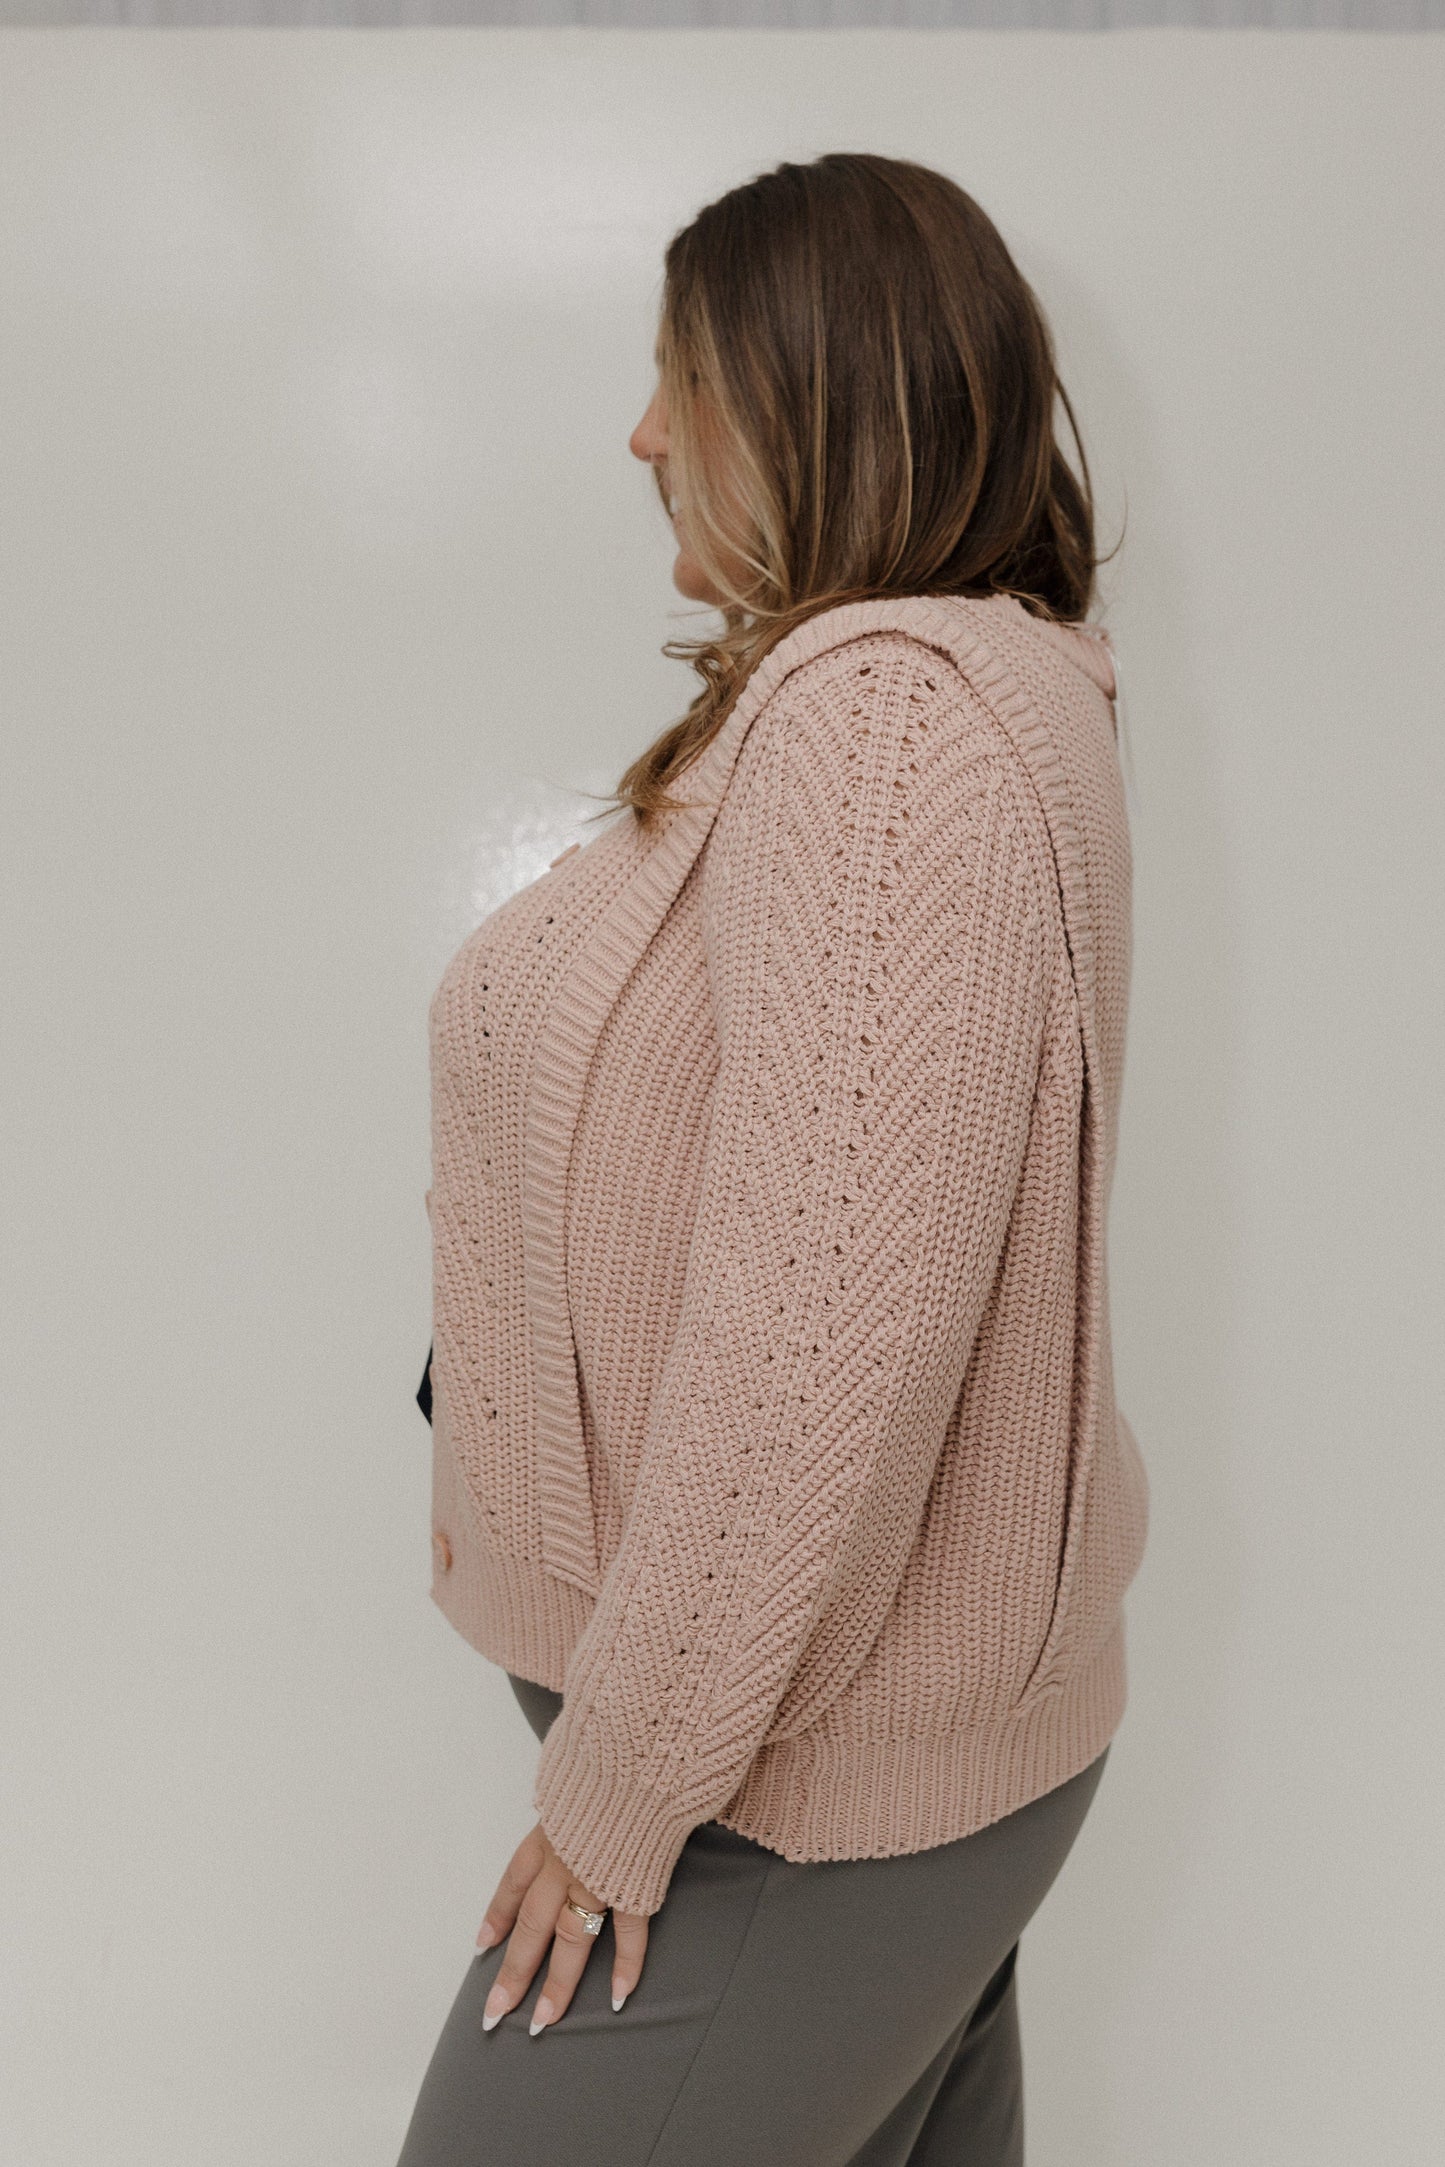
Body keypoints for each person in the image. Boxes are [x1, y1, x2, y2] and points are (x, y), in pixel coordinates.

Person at [398, 150, 1149, 2167]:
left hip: (788, 1789)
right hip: (847, 1748)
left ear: (813, 389)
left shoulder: (885, 722)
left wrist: (622, 1792)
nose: (642, 435)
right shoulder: (967, 686)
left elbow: (822, 1347)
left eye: (680, 378)